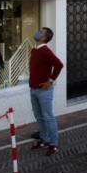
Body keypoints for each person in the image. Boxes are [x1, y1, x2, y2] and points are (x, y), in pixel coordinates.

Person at [29, 27, 64, 156]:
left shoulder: (45, 51)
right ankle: (44, 140)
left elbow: (59, 65)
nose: (37, 32)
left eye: (41, 32)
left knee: (48, 117)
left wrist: (50, 80)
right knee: (39, 117)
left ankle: (54, 144)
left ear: (44, 37)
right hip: (33, 89)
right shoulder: (34, 50)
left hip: (44, 91)